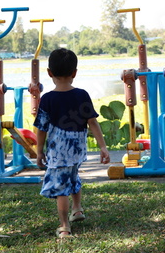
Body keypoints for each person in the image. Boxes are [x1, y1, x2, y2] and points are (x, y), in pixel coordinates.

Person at [33, 48, 110, 238]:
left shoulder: (47, 99)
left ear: (49, 73)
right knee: (73, 176)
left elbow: (41, 129)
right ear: (74, 73)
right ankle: (77, 209)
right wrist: (103, 147)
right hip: (77, 149)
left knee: (61, 189)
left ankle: (65, 226)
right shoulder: (82, 95)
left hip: (58, 152)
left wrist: (39, 151)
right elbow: (93, 122)